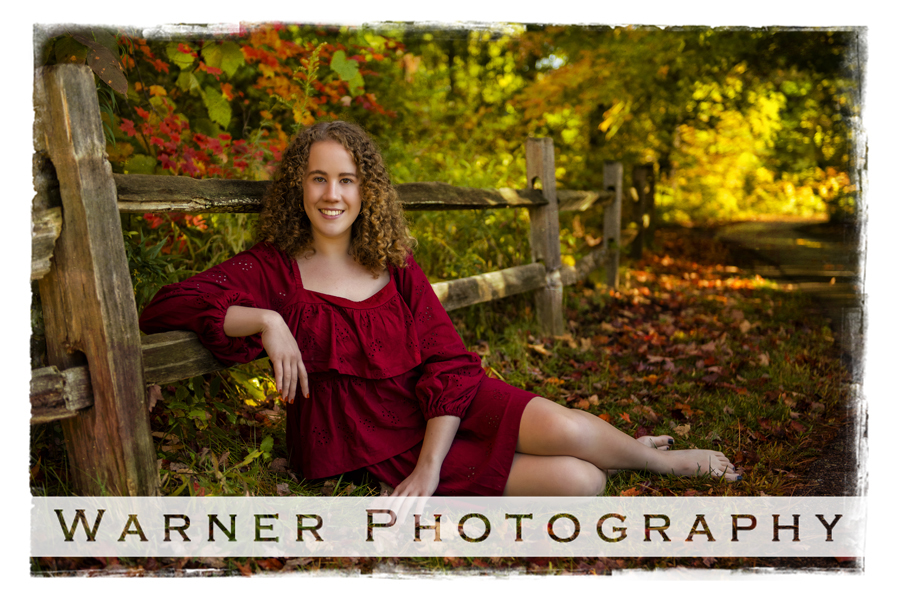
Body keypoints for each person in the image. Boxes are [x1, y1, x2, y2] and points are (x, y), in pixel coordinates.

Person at [140, 120, 740, 498]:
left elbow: (448, 365)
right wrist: (267, 319)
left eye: (346, 180)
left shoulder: (391, 260)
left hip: (444, 408)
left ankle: (663, 462)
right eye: (318, 179)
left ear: (363, 190)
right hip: (371, 439)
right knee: (581, 482)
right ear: (299, 187)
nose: (332, 194)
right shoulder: (272, 269)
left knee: (561, 428)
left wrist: (431, 469)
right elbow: (173, 302)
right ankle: (616, 452)